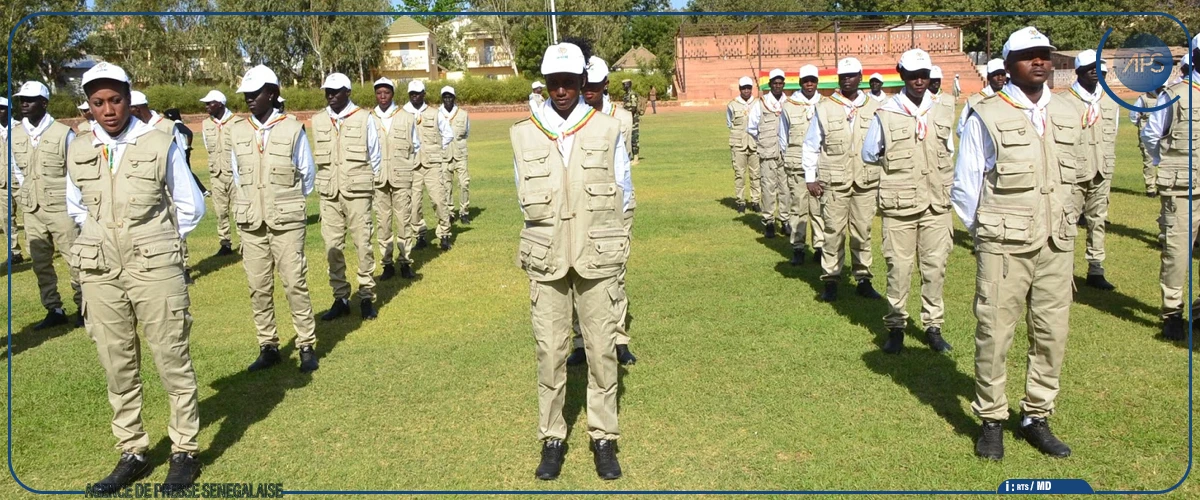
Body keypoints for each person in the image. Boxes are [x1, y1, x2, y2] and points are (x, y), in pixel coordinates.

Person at [67, 61, 203, 494]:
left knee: (171, 358)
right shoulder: (78, 148)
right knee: (117, 363)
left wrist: (156, 240)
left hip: (155, 266)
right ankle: (133, 451)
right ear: (88, 107)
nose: (108, 109)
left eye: (116, 99)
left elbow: (190, 206)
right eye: (98, 102)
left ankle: (184, 451)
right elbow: (76, 205)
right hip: (100, 270)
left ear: (129, 98)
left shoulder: (160, 142)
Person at [952, 27, 1082, 460]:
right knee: (995, 332)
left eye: (1044, 54)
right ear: (1008, 66)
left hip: (1056, 243)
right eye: (1028, 56)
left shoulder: (1066, 109)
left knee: (1051, 332)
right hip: (1004, 245)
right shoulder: (985, 113)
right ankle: (992, 419)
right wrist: (987, 232)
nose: (1039, 62)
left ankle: (1036, 416)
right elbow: (966, 185)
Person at [516, 41, 630, 482]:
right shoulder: (524, 132)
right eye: (554, 83)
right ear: (545, 85)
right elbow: (522, 195)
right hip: (546, 258)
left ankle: (603, 436)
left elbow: (622, 189)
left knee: (602, 350)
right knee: (550, 352)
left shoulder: (606, 129)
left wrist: (611, 244)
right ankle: (552, 437)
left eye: (569, 82)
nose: (561, 91)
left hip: (597, 256)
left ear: (583, 82)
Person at [861, 49, 956, 354]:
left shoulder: (943, 109)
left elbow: (949, 150)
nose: (919, 81)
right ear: (901, 74)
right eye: (913, 75)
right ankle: (896, 327)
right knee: (898, 270)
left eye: (924, 75)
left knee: (934, 267)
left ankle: (933, 327)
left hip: (936, 205)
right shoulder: (886, 112)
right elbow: (869, 153)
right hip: (900, 206)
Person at [227, 65, 320, 373]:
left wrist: (284, 202)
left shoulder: (293, 128)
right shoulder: (238, 131)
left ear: (272, 94)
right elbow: (239, 175)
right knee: (258, 286)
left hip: (286, 223)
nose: (249, 100)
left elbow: (306, 174)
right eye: (246, 95)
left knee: (295, 282)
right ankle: (268, 346)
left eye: (255, 94)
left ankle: (306, 344)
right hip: (252, 223)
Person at [567, 54, 638, 367]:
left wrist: (621, 211)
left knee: (614, 275)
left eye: (595, 85)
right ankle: (581, 342)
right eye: (586, 85)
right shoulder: (571, 116)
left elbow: (623, 169)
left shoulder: (621, 118)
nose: (589, 91)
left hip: (615, 204)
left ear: (605, 85)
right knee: (574, 273)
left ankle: (618, 339)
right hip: (582, 205)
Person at [803, 57, 884, 302]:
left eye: (851, 75)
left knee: (863, 231)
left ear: (861, 77)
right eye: (843, 76)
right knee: (833, 232)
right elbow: (810, 145)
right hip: (834, 182)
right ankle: (830, 280)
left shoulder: (876, 107)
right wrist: (810, 178)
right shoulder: (825, 107)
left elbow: (884, 146)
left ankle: (863, 278)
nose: (847, 79)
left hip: (865, 182)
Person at [1143, 34, 1200, 341]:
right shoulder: (1175, 94)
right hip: (1182, 188)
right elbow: (1152, 135)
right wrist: (1168, 166)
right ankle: (1172, 313)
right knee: (1177, 254)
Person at [11, 80, 81, 329]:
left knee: (76, 259)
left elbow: (74, 173)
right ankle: (54, 308)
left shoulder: (64, 133)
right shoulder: (16, 133)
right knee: (40, 262)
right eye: (21, 99)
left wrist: (74, 205)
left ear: (44, 103)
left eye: (29, 99)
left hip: (61, 207)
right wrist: (26, 193)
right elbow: (17, 170)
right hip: (32, 209)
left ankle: (84, 307)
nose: (24, 104)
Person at [313, 72, 381, 321]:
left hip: (358, 192)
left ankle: (366, 297)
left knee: (363, 244)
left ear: (348, 92)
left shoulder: (364, 118)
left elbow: (375, 155)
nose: (330, 95)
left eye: (336, 90)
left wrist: (366, 182)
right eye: (327, 91)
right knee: (332, 247)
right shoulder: (318, 120)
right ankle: (340, 297)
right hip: (329, 193)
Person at [1060, 50, 1118, 291]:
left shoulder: (1109, 100)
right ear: (1078, 72)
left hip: (1101, 169)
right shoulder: (1064, 101)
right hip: (1074, 172)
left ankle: (1096, 268)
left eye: (1100, 69)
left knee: (1098, 220)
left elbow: (1112, 133)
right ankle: (1065, 272)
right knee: (1067, 221)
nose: (1096, 73)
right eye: (1090, 68)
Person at [130, 92, 201, 283]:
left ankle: (182, 266)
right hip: (145, 186)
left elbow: (181, 154)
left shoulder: (167, 126)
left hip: (169, 184)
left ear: (137, 109)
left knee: (176, 224)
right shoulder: (133, 129)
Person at [372, 77, 418, 281]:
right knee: (383, 223)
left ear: (393, 94)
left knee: (404, 220)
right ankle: (387, 263)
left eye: (386, 93)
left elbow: (416, 146)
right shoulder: (369, 118)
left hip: (402, 176)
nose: (383, 97)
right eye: (379, 93)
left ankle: (406, 261)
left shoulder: (407, 117)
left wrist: (406, 166)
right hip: (378, 178)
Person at [779, 64, 825, 265]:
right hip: (796, 163)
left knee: (819, 207)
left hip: (820, 164)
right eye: (805, 80)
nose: (809, 84)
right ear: (799, 82)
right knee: (798, 206)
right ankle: (798, 247)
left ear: (817, 82)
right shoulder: (789, 105)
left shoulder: (825, 104)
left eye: (812, 80)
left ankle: (820, 246)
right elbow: (783, 137)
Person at [403, 80, 454, 251]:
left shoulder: (435, 113)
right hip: (412, 165)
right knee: (414, 204)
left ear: (424, 93)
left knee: (439, 200)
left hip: (432, 164)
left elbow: (448, 134)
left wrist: (438, 150)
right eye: (412, 94)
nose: (415, 96)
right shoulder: (403, 113)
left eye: (418, 93)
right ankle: (420, 235)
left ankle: (445, 233)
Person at [747, 68, 791, 239]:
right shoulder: (761, 103)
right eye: (775, 83)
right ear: (770, 84)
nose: (778, 86)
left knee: (786, 188)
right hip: (767, 151)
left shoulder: (789, 102)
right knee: (768, 187)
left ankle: (785, 220)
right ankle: (769, 221)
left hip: (786, 152)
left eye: (780, 83)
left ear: (784, 84)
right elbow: (752, 127)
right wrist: (764, 141)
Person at [200, 89, 243, 257]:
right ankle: (225, 243)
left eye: (209, 103)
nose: (206, 107)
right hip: (216, 173)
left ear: (220, 104)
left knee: (239, 209)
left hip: (234, 173)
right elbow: (207, 146)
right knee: (220, 211)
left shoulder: (237, 122)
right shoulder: (206, 124)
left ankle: (244, 243)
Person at [726, 76, 761, 213]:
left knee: (756, 174)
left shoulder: (758, 103)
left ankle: (755, 201)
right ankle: (740, 201)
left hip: (755, 143)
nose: (746, 91)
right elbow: (730, 123)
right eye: (743, 88)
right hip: (738, 144)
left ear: (751, 89)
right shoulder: (732, 105)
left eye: (748, 88)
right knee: (739, 174)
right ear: (740, 89)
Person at [440, 86, 471, 224]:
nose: (447, 99)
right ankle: (450, 212)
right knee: (447, 186)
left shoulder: (463, 114)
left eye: (450, 97)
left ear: (454, 98)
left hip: (460, 154)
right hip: (444, 155)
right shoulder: (437, 114)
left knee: (464, 183)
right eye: (445, 97)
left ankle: (464, 212)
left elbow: (466, 133)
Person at [0, 97, 24, 268]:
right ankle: (14, 253)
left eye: (2, 108)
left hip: (21, 181)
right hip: (2, 183)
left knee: (31, 219)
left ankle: (38, 250)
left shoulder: (20, 129)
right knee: (7, 220)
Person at [958, 59, 1008, 135]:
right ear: (988, 77)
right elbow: (961, 129)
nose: (1000, 78)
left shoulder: (1012, 97)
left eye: (1002, 74)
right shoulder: (975, 101)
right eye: (996, 74)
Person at [1131, 86, 1163, 197]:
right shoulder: (1143, 98)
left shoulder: (1167, 96)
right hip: (1147, 135)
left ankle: (1163, 186)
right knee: (1149, 161)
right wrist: (1141, 127)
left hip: (1164, 135)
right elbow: (1133, 115)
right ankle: (1151, 188)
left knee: (1165, 161)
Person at [622, 78, 641, 164]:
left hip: (633, 120)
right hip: (627, 120)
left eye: (624, 85)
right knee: (627, 138)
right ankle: (629, 157)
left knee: (634, 138)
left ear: (627, 85)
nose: (623, 87)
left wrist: (625, 112)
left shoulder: (632, 95)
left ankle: (636, 158)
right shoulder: (625, 95)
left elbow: (633, 107)